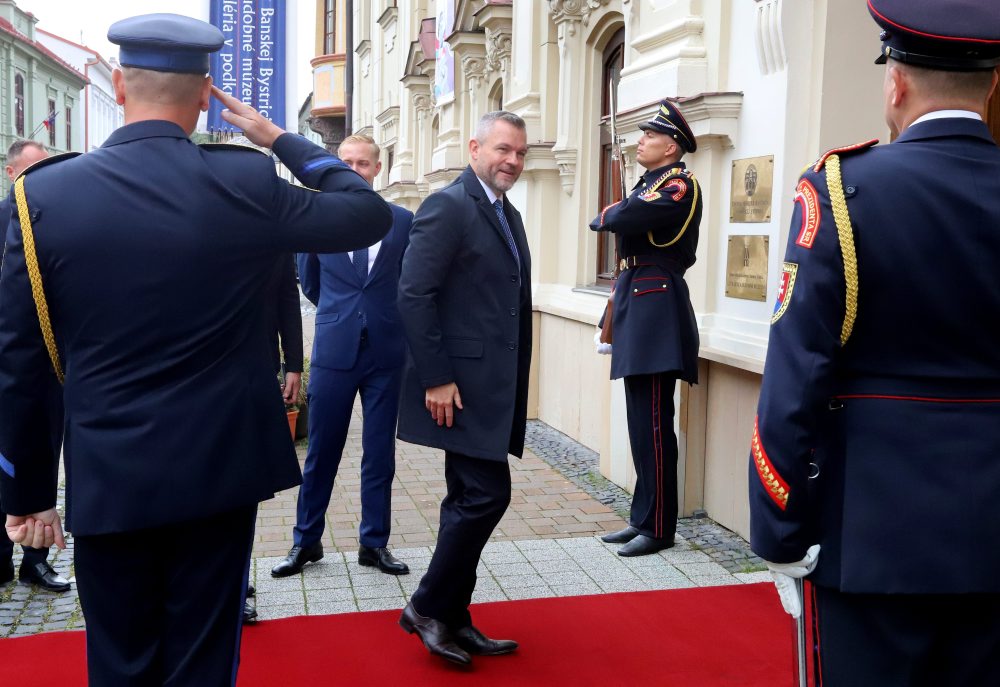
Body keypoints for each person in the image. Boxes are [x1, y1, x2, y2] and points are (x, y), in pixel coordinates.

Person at [0, 13, 391, 686]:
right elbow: (365, 211)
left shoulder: (41, 195)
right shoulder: (246, 182)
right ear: (206, 94)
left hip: (109, 472)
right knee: (202, 660)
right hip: (218, 470)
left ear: (119, 85)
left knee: (120, 659)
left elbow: (20, 360)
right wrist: (279, 139)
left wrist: (30, 494)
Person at [748, 2, 1000, 684]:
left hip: (870, 536)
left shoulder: (840, 192)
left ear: (896, 83)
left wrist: (779, 530)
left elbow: (794, 380)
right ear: (991, 87)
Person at [396, 111, 531, 666]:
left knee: (467, 498)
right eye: (504, 149)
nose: (513, 162)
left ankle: (453, 616)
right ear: (474, 147)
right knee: (485, 495)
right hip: (459, 386)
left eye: (521, 153)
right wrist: (437, 377)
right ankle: (428, 606)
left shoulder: (506, 212)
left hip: (490, 386)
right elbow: (413, 293)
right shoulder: (450, 205)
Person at [272, 134, 413, 579]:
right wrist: (343, 316)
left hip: (386, 353)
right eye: (346, 162)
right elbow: (309, 285)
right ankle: (305, 541)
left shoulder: (402, 221)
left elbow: (410, 284)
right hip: (335, 351)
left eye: (363, 164)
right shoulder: (317, 223)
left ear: (378, 169)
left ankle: (374, 544)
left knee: (379, 453)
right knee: (322, 451)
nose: (355, 170)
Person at [590, 100, 702, 557]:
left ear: (671, 145)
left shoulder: (678, 183)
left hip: (657, 301)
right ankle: (642, 519)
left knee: (655, 424)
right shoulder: (650, 183)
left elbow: (622, 217)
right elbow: (617, 214)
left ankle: (659, 528)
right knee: (641, 423)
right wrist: (615, 210)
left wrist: (613, 212)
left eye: (649, 136)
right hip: (640, 296)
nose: (640, 141)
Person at [0, 140, 70, 594]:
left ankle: (36, 561)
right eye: (32, 169)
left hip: (45, 362)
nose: (41, 177)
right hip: (5, 358)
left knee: (42, 448)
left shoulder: (55, 216)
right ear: (11, 174)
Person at [243, 253, 303, 623]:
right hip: (196, 372)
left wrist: (293, 362)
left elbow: (287, 295)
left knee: (247, 484)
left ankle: (233, 574)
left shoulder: (268, 217)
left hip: (256, 371)